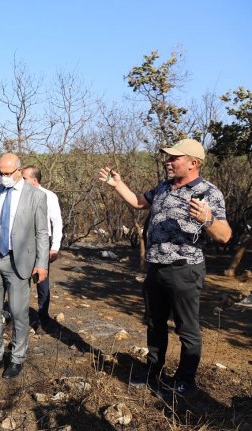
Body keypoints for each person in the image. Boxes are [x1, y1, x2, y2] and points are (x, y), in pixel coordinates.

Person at [99, 138, 231, 397]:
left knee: (187, 329)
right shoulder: (163, 187)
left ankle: (185, 381)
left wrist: (208, 219)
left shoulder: (208, 192)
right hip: (156, 268)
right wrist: (118, 185)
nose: (167, 162)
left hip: (184, 270)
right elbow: (139, 202)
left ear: (193, 163)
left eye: (174, 158)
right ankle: (153, 371)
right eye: (167, 158)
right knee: (154, 323)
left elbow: (225, 235)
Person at [0, 154, 50, 380]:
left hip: (19, 262)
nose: (3, 177)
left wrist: (41, 264)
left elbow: (42, 233)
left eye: (7, 173)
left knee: (18, 312)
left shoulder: (36, 196)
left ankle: (16, 359)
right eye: (0, 173)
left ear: (18, 170)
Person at [22, 165, 63, 333]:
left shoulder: (49, 196)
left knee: (42, 280)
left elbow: (57, 222)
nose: (20, 181)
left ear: (34, 180)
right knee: (19, 280)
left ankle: (42, 319)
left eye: (24, 178)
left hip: (42, 242)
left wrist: (55, 247)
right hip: (23, 242)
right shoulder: (19, 195)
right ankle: (19, 318)